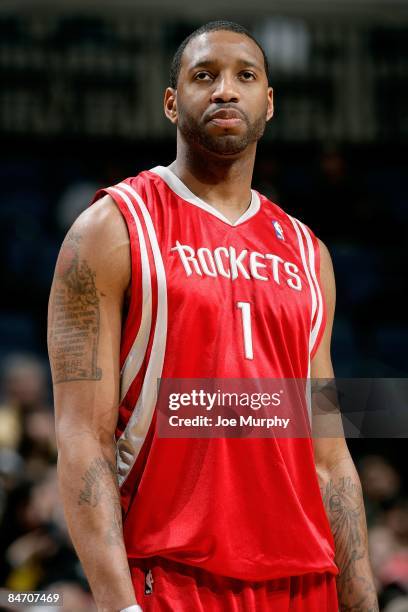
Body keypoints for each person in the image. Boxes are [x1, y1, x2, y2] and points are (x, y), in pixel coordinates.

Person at [47, 20, 378, 612]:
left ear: (268, 103)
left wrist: (361, 598)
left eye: (245, 76)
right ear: (172, 103)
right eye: (205, 76)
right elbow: (81, 439)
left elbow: (329, 456)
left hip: (305, 580)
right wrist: (118, 603)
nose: (226, 90)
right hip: (171, 576)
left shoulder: (308, 252)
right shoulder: (114, 228)